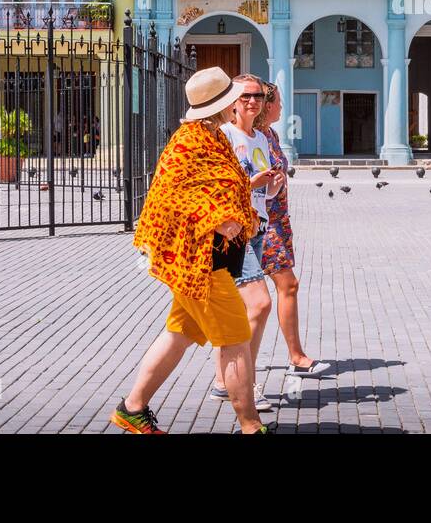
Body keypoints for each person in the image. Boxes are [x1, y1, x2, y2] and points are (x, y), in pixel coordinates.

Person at [111, 68, 265, 434]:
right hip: (199, 261)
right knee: (236, 339)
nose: (243, 104)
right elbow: (173, 197)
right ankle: (251, 426)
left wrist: (239, 204)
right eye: (236, 98)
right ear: (224, 105)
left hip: (210, 260)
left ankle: (132, 409)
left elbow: (216, 185)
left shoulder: (210, 137)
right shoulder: (190, 142)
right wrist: (216, 219)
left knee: (178, 333)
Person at [213, 74, 285, 415]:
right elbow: (220, 187)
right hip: (232, 232)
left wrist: (273, 185)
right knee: (259, 305)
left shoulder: (259, 138)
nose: (252, 101)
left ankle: (222, 381)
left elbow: (262, 194)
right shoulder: (224, 136)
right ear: (232, 102)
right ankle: (247, 383)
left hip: (257, 226)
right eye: (245, 97)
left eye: (257, 96)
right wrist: (251, 182)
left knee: (237, 310)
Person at [254, 79, 330, 379]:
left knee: (260, 294)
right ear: (267, 105)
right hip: (264, 222)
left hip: (277, 220)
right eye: (279, 103)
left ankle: (238, 364)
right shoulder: (256, 135)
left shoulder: (269, 134)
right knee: (286, 286)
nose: (282, 108)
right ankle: (295, 356)